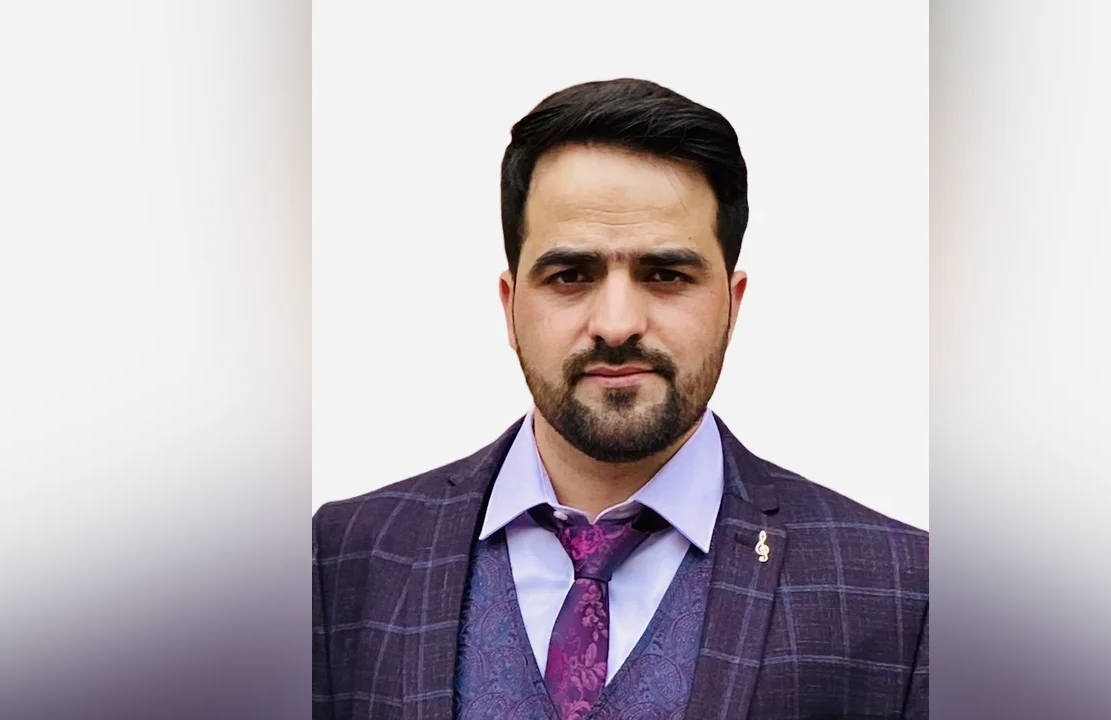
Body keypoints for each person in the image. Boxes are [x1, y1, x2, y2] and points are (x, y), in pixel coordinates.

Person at [312, 78, 928, 720]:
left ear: (732, 304)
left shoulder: (903, 590)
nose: (616, 324)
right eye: (570, 275)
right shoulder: (344, 558)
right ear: (511, 305)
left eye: (665, 275)